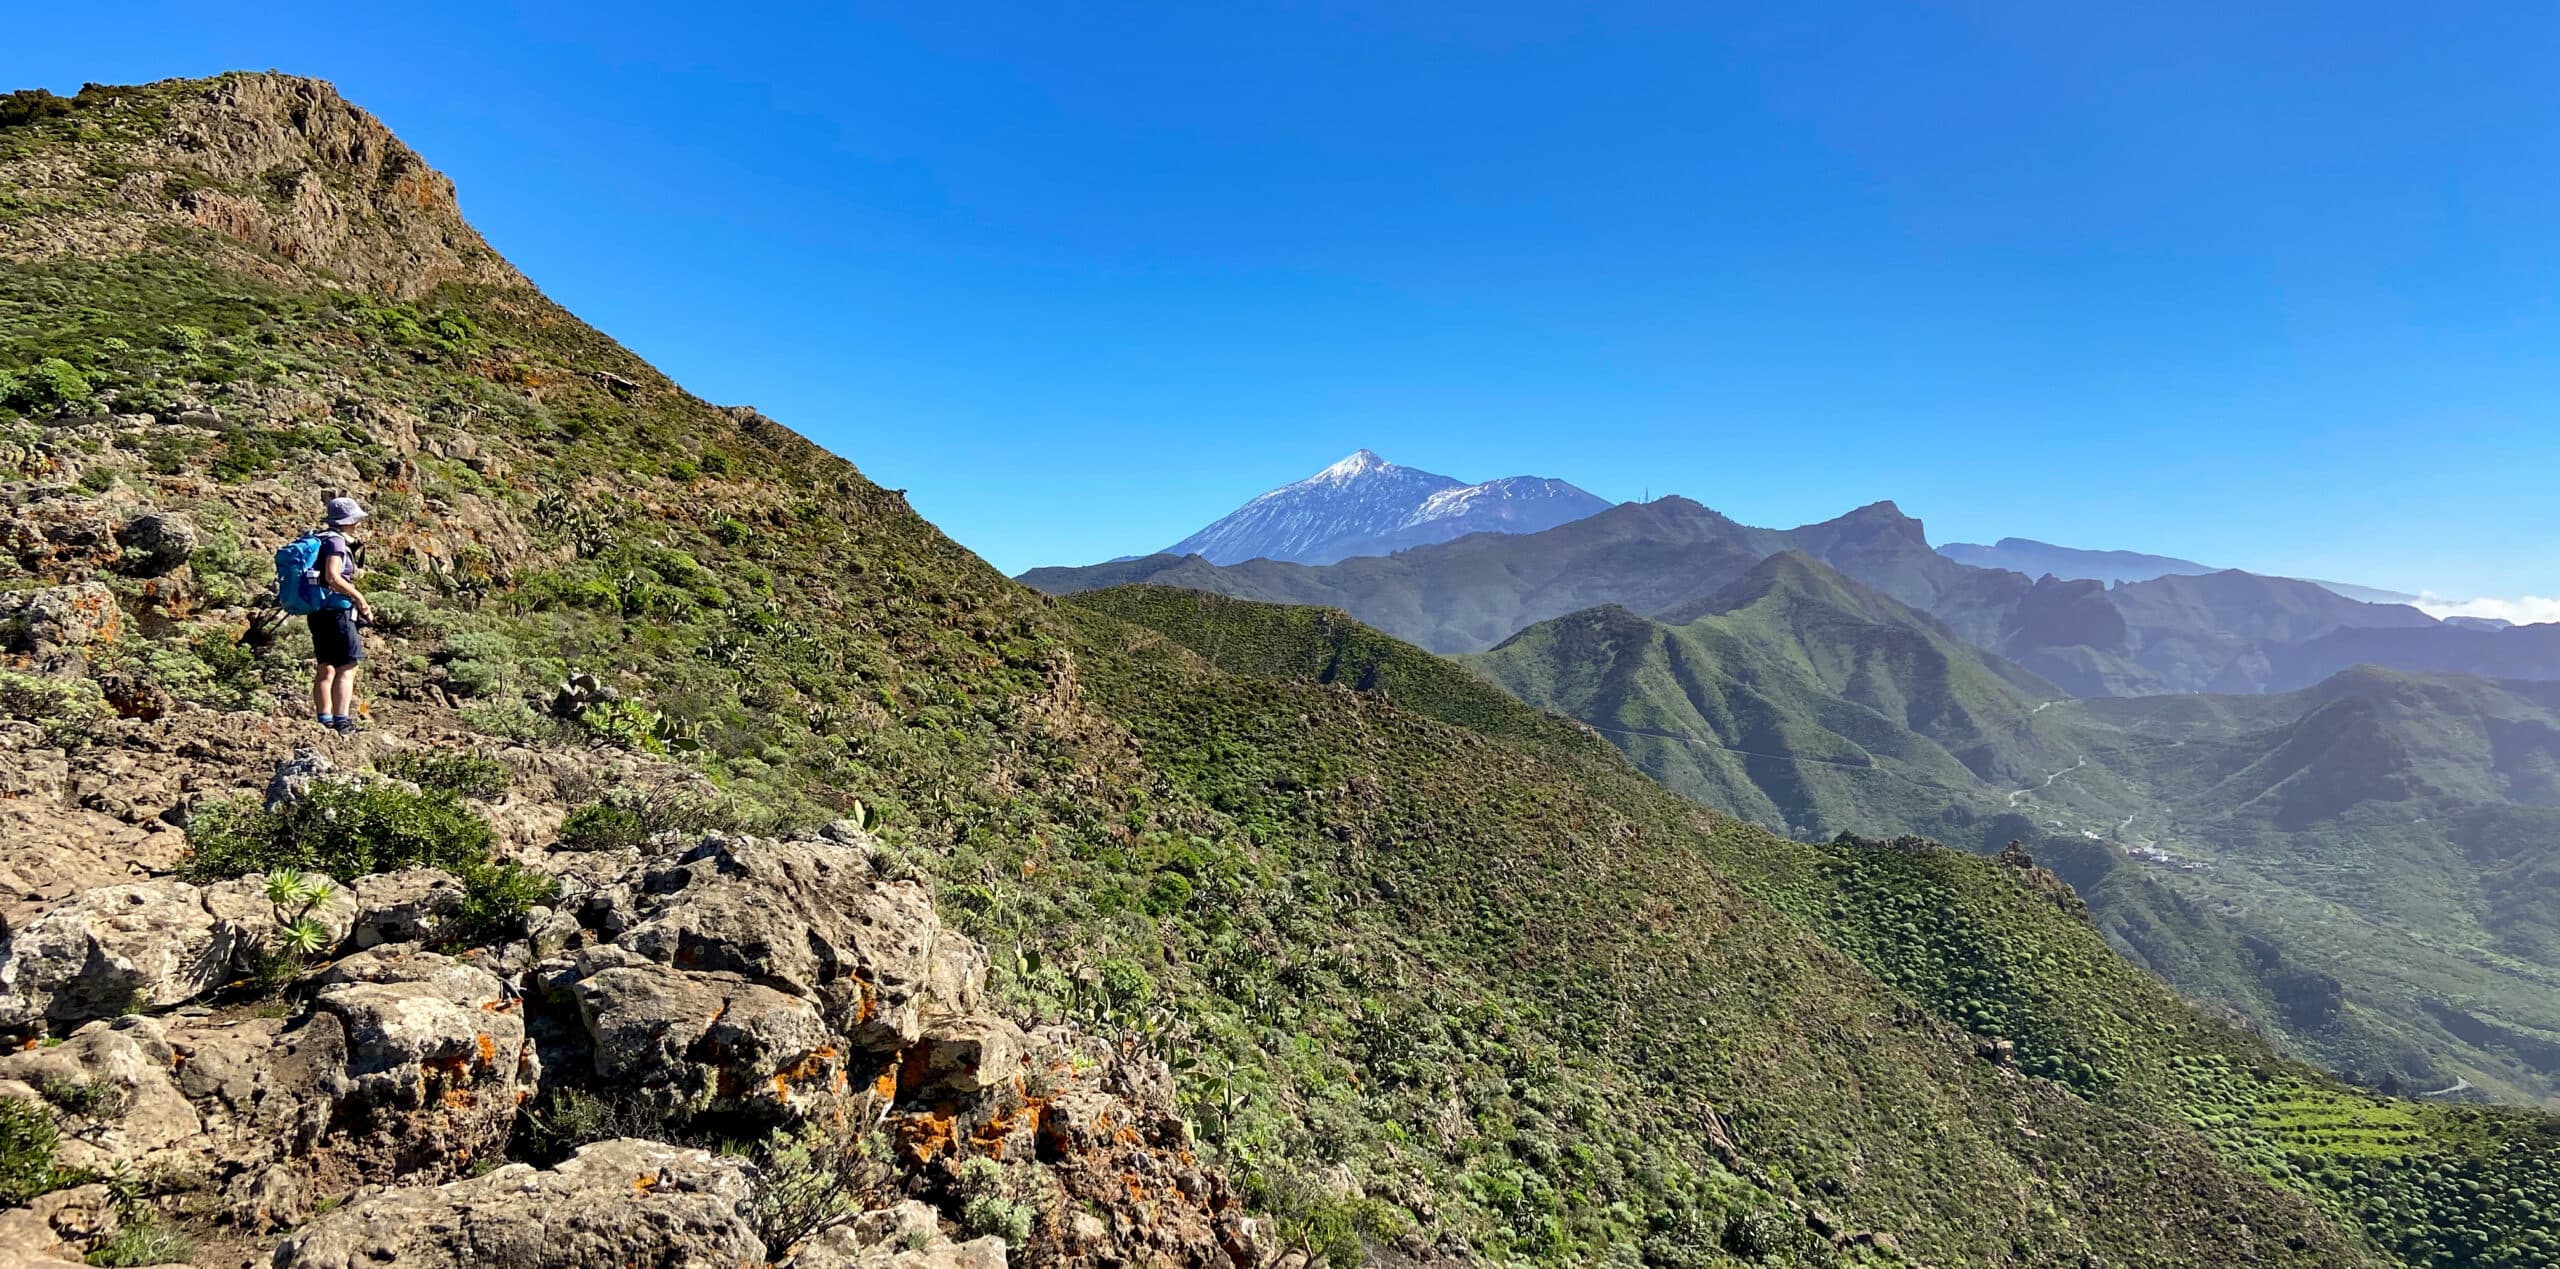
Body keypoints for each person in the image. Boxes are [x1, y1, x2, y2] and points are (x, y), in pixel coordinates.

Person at [308, 496, 376, 733]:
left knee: (326, 666)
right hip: (338, 611)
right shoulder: (336, 542)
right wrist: (360, 598)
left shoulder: (320, 538)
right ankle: (342, 721)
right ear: (350, 520)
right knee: (348, 666)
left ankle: (324, 720)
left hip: (317, 610)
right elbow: (333, 577)